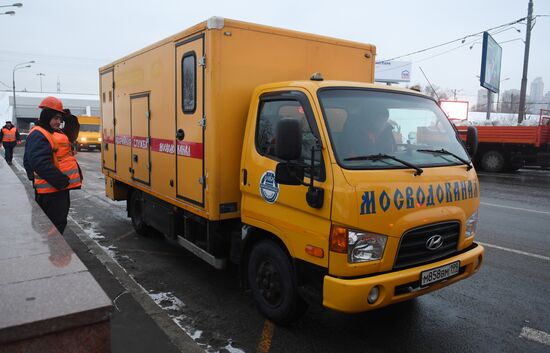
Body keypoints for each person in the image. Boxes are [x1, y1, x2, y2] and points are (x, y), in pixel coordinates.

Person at [23, 96, 83, 234]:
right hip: (52, 190)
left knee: (55, 224)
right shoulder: (40, 134)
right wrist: (61, 181)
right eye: (55, 118)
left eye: (60, 119)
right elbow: (38, 162)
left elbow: (71, 135)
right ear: (46, 117)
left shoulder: (53, 132)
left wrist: (70, 118)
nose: (58, 122)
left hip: (56, 189)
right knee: (54, 226)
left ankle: (52, 251)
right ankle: (54, 253)